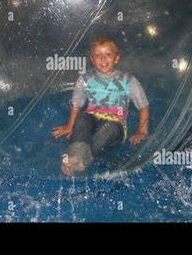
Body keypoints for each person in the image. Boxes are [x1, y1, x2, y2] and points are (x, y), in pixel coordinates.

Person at [52, 37, 150, 176]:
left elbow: (143, 106)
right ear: (92, 59)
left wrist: (142, 131)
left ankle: (81, 158)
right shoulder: (86, 78)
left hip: (115, 124)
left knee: (110, 128)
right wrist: (70, 125)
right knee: (83, 117)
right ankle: (75, 156)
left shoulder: (128, 80)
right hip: (93, 119)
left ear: (116, 58)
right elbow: (77, 104)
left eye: (108, 55)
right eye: (98, 55)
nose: (103, 59)